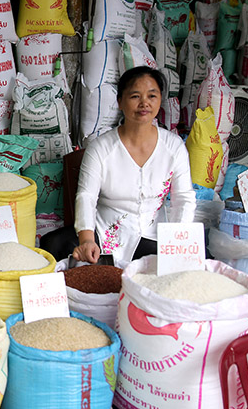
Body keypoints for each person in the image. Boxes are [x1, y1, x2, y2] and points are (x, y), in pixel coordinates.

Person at [69, 66, 196, 264]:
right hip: (107, 237)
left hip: (156, 236)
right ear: (120, 101)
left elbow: (183, 199)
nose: (144, 103)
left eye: (152, 96)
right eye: (135, 96)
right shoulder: (101, 148)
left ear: (160, 100)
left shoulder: (174, 147)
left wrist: (179, 243)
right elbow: (86, 196)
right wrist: (87, 240)